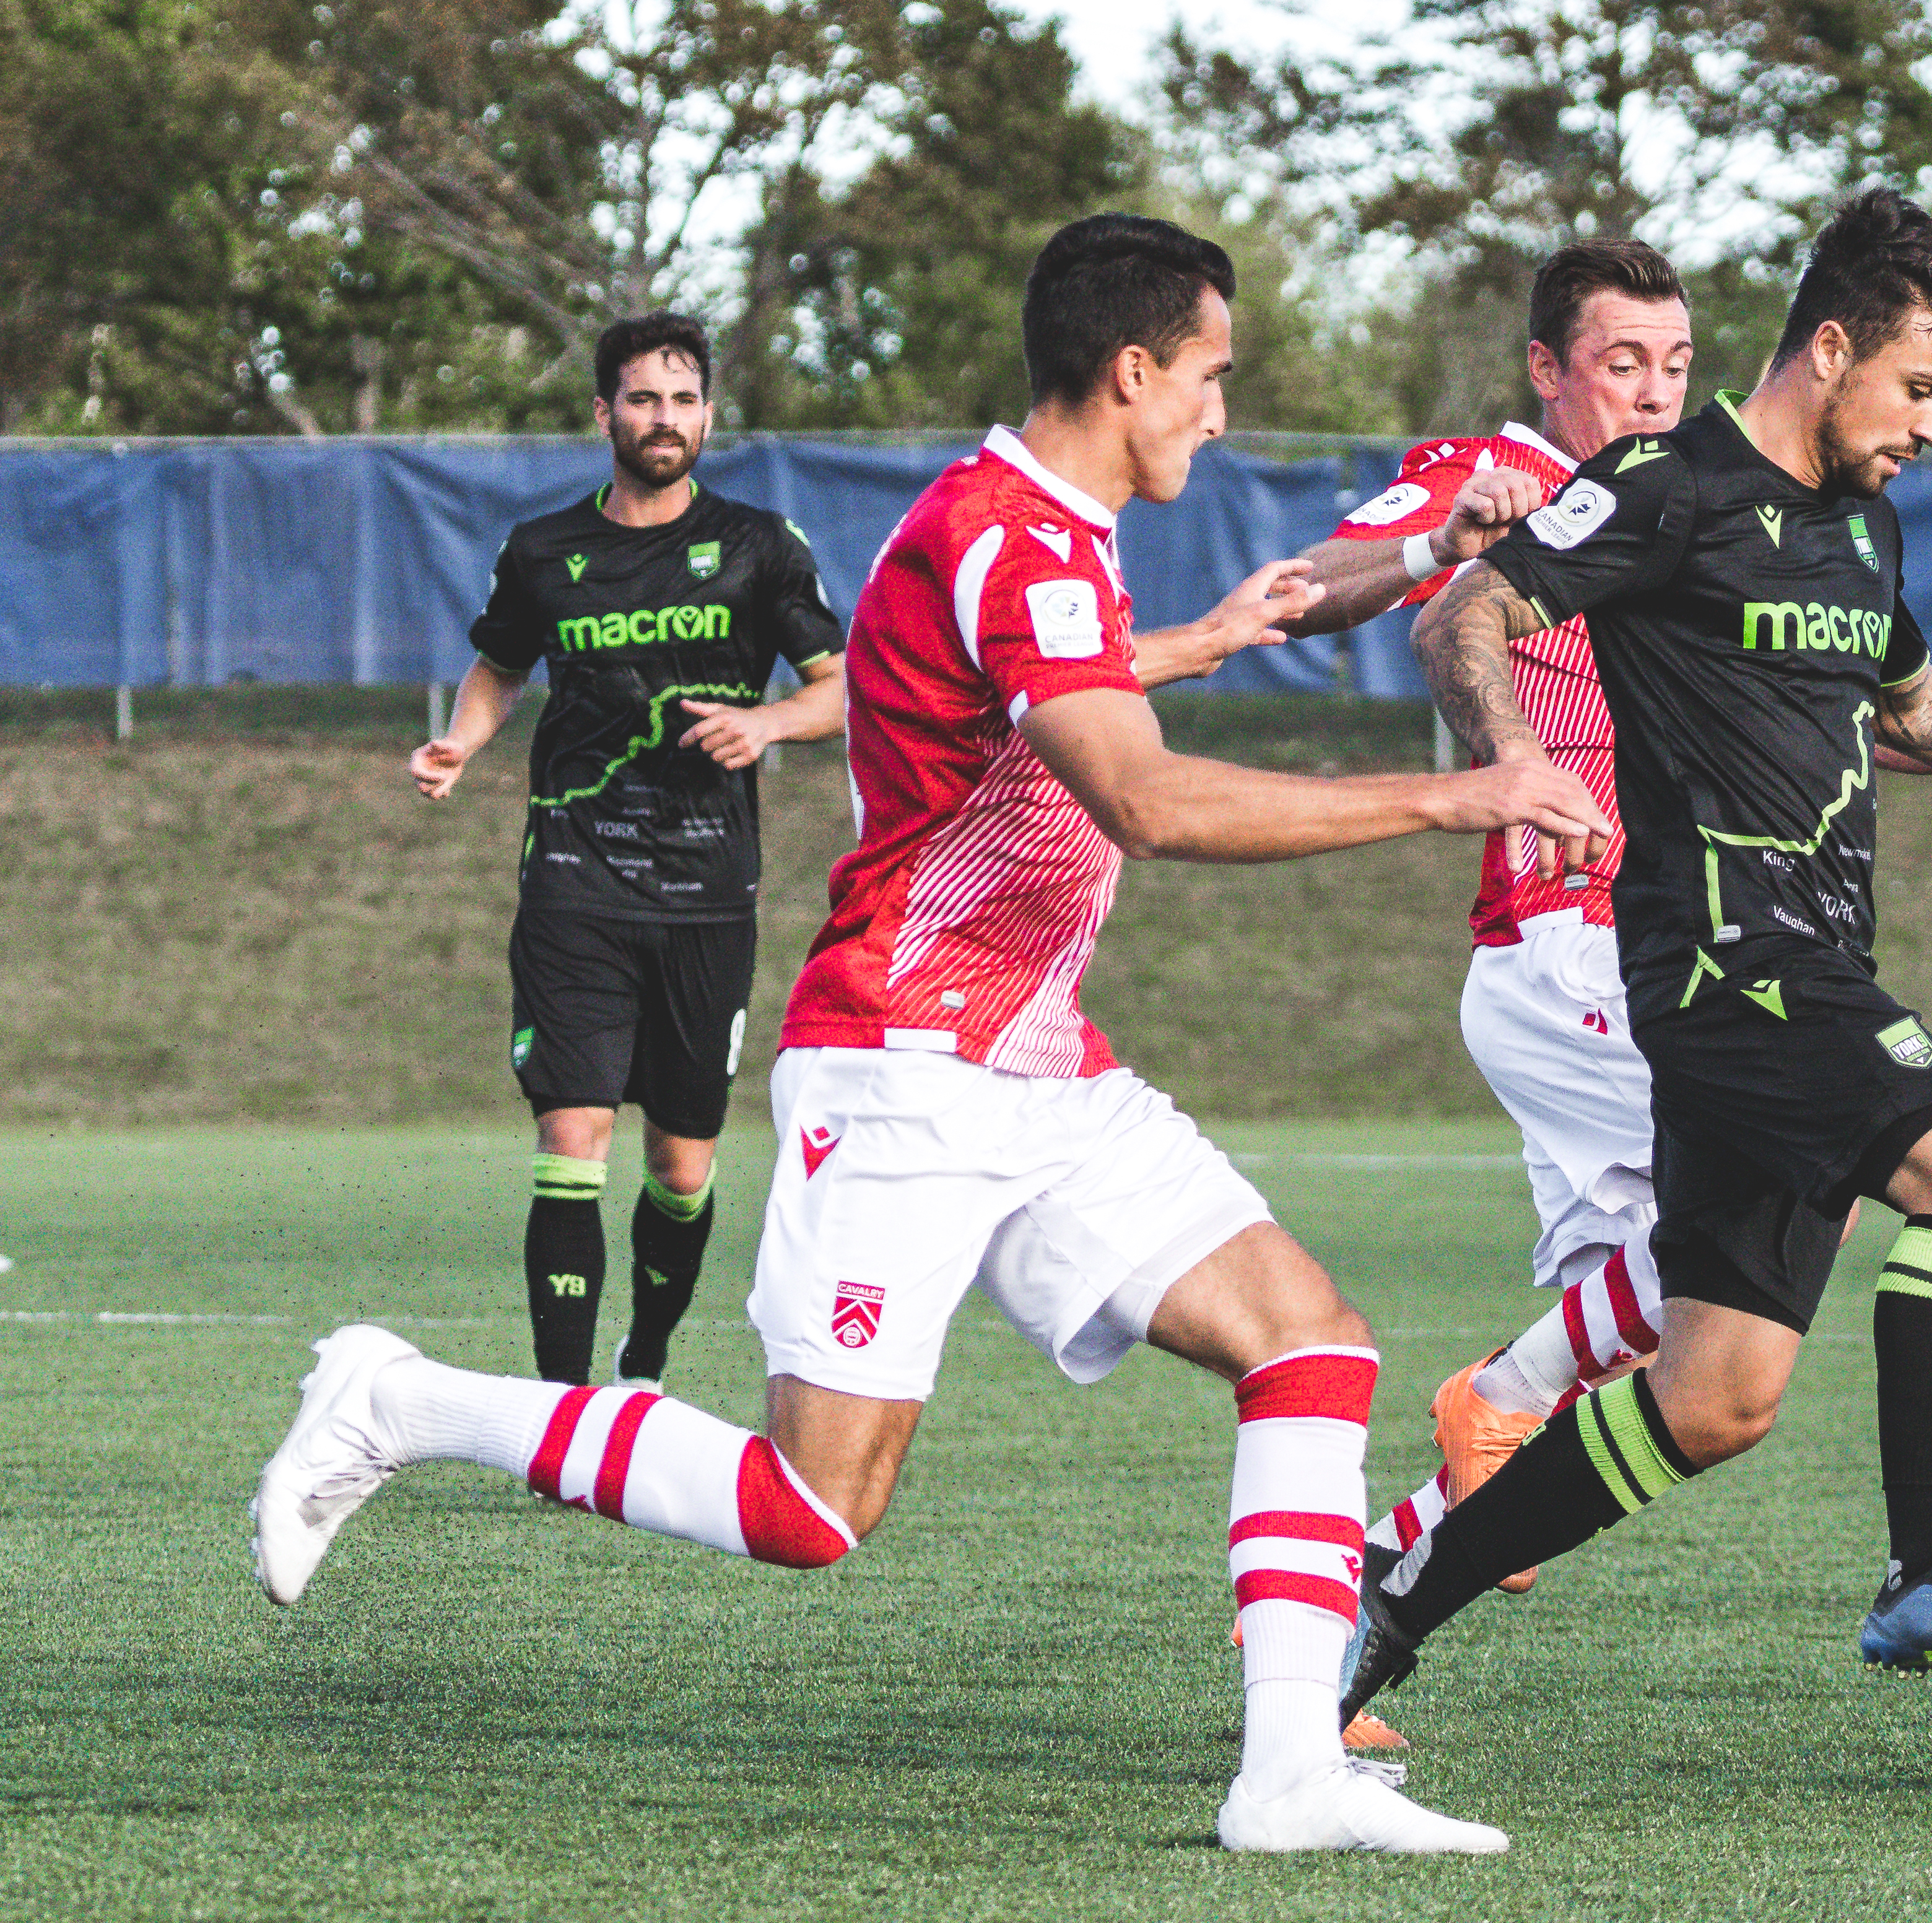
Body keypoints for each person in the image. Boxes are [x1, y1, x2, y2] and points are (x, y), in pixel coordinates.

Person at [254, 213, 1609, 1855]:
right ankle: (399, 1399)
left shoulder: (1049, 530)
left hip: (1035, 1059)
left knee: (1309, 1343)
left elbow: (1117, 676)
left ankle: (1286, 1775)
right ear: (1133, 372)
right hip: (902, 1058)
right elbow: (1149, 797)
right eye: (1212, 380)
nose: (1218, 416)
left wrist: (1347, 581)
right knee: (810, 1506)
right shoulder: (1012, 538)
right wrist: (1464, 789)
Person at [1342, 189, 1932, 1734]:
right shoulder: (1661, 485)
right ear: (1829, 349)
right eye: (1920, 386)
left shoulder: (1860, 526)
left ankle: (1394, 1601)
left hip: (1800, 963)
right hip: (1719, 968)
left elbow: (1907, 705)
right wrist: (1506, 758)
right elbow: (1467, 617)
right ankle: (1925, 1566)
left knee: (1714, 1397)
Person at [409, 314, 848, 1391]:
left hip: (707, 892)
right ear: (604, 411)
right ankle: (566, 1417)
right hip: (574, 878)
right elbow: (500, 665)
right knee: (573, 1138)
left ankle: (643, 1360)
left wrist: (769, 726)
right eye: (644, 399)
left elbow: (843, 688)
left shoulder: (759, 548)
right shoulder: (545, 551)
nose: (666, 419)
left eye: (685, 399)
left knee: (682, 1166)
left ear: (707, 414)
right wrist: (463, 740)